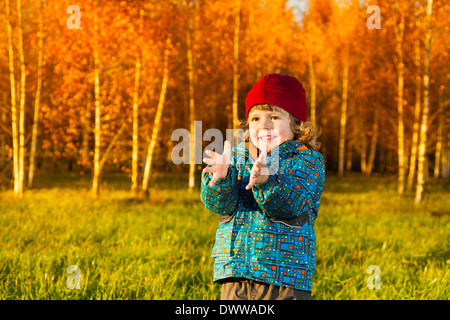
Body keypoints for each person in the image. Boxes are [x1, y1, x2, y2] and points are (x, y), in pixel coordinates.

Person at [200, 73, 325, 300]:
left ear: (296, 125)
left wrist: (268, 180)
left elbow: (291, 205)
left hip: (285, 277)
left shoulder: (306, 160)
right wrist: (222, 178)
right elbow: (221, 204)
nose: (264, 125)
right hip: (236, 271)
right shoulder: (237, 157)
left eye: (275, 117)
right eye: (256, 118)